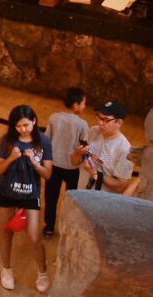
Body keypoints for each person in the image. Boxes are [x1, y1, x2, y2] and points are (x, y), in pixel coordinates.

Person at [0, 105, 53, 292]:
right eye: (18, 126)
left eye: (26, 125)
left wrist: (35, 162)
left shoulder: (43, 141)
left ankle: (43, 272)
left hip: (30, 192)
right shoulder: (6, 140)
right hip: (6, 191)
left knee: (34, 236)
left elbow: (48, 174)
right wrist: (11, 158)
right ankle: (6, 269)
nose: (23, 129)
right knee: (6, 230)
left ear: (34, 121)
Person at [42, 88, 89, 238]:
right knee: (72, 199)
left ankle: (49, 227)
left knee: (51, 198)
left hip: (53, 165)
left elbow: (46, 140)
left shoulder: (54, 118)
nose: (84, 106)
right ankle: (68, 228)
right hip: (72, 168)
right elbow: (85, 147)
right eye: (83, 103)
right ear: (76, 105)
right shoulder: (82, 124)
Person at [76, 100, 135, 194]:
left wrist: (95, 174)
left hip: (101, 200)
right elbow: (75, 161)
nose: (100, 123)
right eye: (98, 117)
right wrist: (79, 154)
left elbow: (121, 186)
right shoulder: (93, 131)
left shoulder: (125, 150)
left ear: (119, 123)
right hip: (80, 191)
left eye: (106, 120)